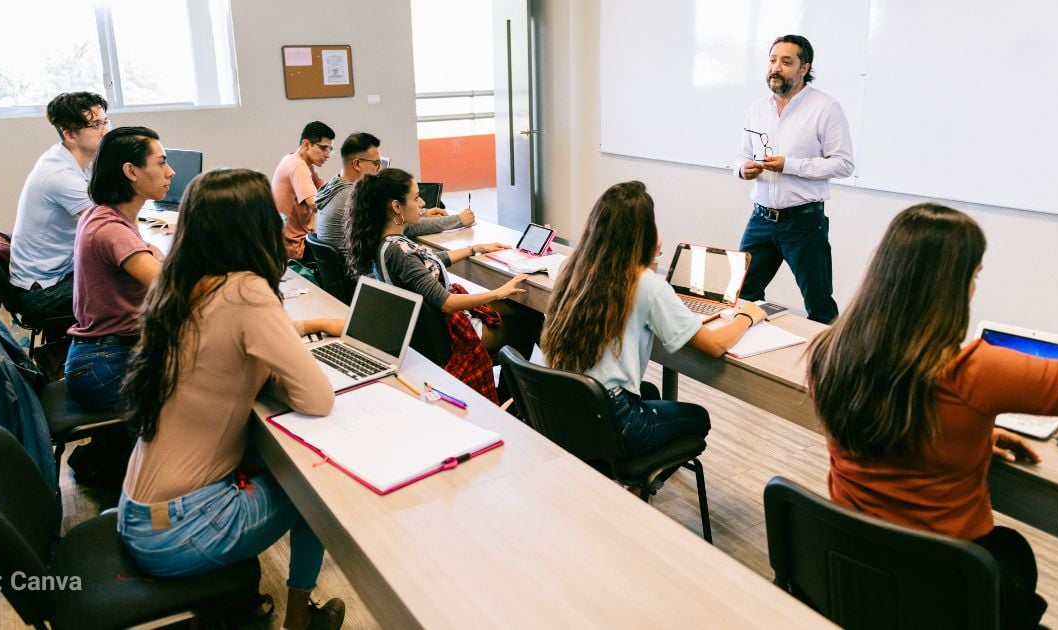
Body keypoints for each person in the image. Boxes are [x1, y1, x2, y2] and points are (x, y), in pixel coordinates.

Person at [807, 203, 1058, 629]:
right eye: (974, 275)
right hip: (941, 588)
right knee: (1011, 553)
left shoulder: (829, 351)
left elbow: (889, 425)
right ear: (951, 285)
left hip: (852, 566)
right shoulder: (976, 373)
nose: (973, 287)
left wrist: (970, 436)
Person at [117, 168, 346, 630]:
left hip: (140, 513)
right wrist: (281, 371)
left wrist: (276, 357)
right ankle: (300, 618)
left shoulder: (180, 282)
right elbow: (318, 398)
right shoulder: (246, 289)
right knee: (318, 487)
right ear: (257, 225)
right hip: (183, 528)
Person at [541, 181, 764, 458]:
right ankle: (632, 481)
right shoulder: (645, 284)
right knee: (697, 417)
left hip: (565, 406)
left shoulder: (574, 267)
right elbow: (715, 346)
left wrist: (648, 258)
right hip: (612, 417)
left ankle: (622, 469)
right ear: (643, 233)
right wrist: (746, 316)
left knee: (650, 391)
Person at [344, 168, 540, 402]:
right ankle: (510, 400)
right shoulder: (400, 253)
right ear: (396, 206)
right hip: (449, 334)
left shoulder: (385, 241)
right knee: (529, 324)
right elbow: (447, 303)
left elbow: (428, 265)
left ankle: (509, 396)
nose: (423, 203)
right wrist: (498, 291)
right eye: (416, 198)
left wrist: (474, 249)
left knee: (524, 312)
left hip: (429, 330)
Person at [734, 34, 854, 324]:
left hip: (803, 223)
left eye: (786, 62)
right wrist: (742, 169)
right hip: (761, 219)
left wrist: (790, 165)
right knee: (740, 294)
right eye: (773, 60)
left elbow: (844, 164)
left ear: (804, 69)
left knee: (819, 304)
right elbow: (740, 156)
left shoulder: (825, 108)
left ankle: (826, 367)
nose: (776, 67)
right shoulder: (757, 108)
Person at [65, 126, 171, 412]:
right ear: (131, 171)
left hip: (98, 356)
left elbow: (154, 258)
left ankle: (106, 452)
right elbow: (174, 288)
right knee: (218, 386)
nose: (171, 172)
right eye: (161, 163)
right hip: (106, 367)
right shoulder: (113, 230)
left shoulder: (102, 214)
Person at [8, 91, 109, 328]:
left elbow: (107, 204)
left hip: (60, 273)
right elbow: (105, 227)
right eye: (96, 125)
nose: (105, 130)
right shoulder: (60, 175)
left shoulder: (78, 160)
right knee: (131, 287)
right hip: (42, 293)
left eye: (105, 121)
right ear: (70, 134)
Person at [314, 131, 475, 251]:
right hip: (365, 280)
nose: (380, 170)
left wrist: (423, 213)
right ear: (357, 164)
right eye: (377, 163)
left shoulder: (334, 185)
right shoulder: (353, 198)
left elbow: (392, 219)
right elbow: (404, 226)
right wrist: (458, 220)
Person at [273, 121, 335, 262]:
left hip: (286, 242)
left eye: (330, 150)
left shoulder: (296, 159)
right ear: (307, 144)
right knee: (343, 256)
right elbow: (315, 203)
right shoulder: (298, 167)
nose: (328, 155)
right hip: (294, 248)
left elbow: (325, 189)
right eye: (324, 148)